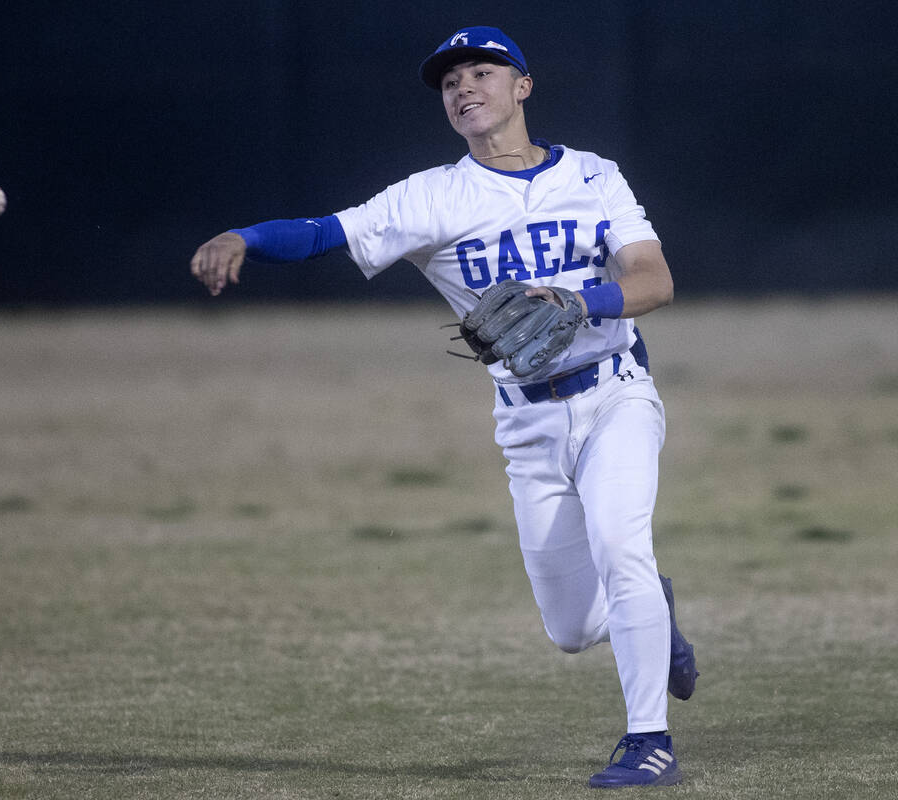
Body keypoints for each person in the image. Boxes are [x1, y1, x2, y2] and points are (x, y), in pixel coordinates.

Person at [190, 25, 698, 789]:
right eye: (450, 80)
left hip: (616, 393)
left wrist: (578, 297)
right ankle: (655, 615)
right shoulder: (432, 198)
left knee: (623, 549)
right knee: (570, 629)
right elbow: (327, 232)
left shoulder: (595, 177)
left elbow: (653, 281)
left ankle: (648, 740)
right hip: (526, 422)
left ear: (522, 87)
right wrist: (244, 236)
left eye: (481, 72)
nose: (463, 87)